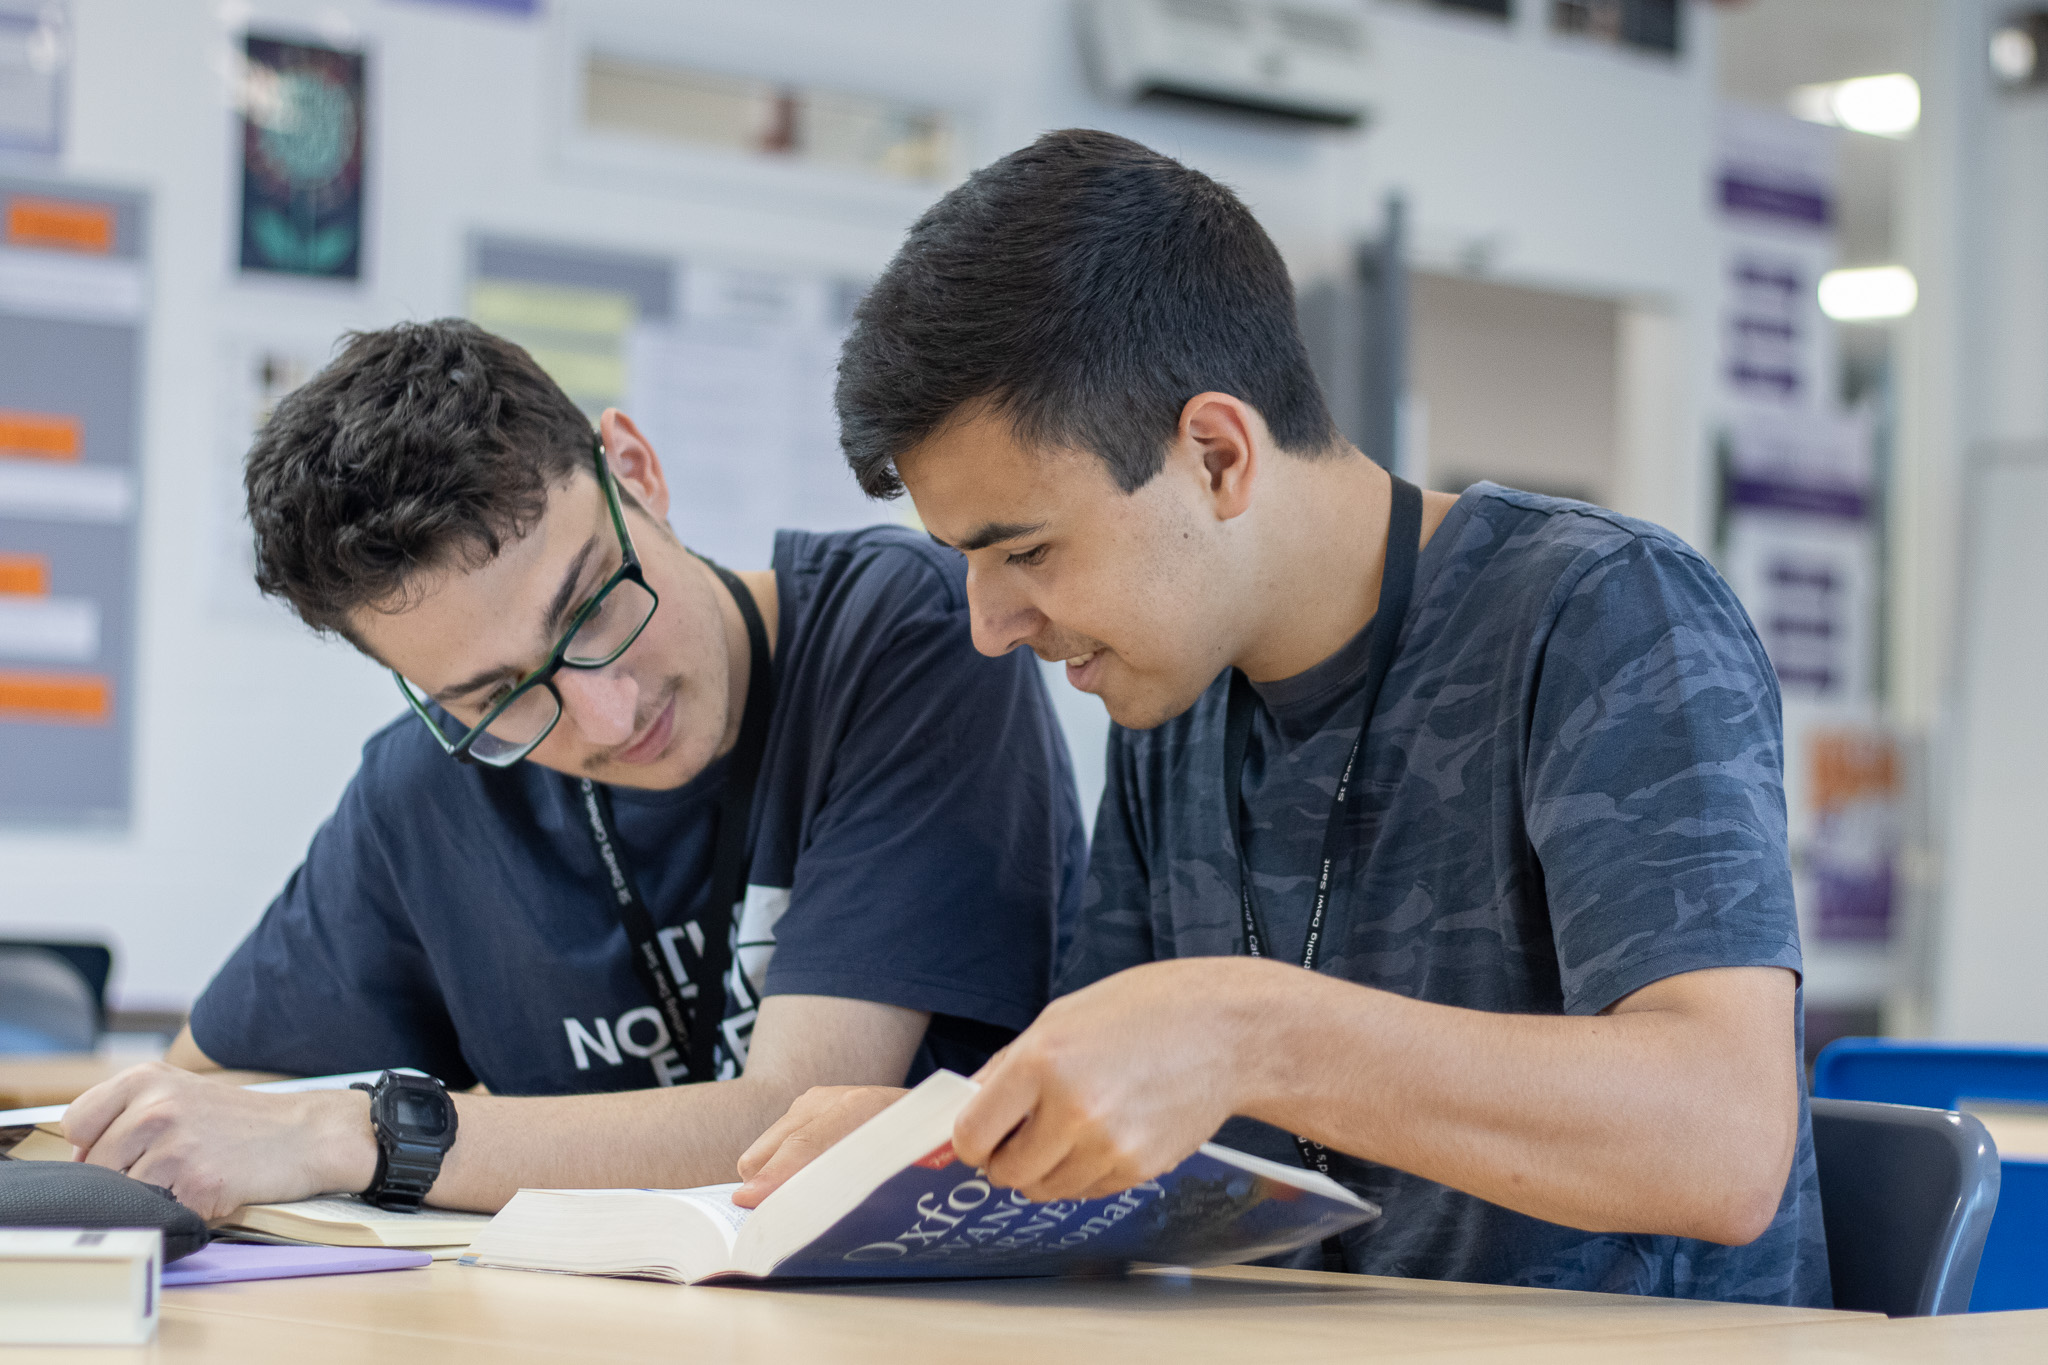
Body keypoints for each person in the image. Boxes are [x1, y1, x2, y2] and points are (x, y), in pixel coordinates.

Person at [732, 130, 1829, 1307]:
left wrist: (1250, 1032)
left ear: (1214, 454)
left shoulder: (1604, 612)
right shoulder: (1174, 702)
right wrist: (924, 1152)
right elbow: (1116, 1151)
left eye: (1027, 551)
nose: (990, 625)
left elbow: (1720, 1140)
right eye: (963, 563)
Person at [60, 320, 1084, 1217]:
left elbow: (788, 1129)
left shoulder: (905, 632)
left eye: (592, 605)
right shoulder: (425, 789)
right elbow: (210, 1090)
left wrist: (360, 1134)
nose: (605, 710)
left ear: (634, 469)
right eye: (497, 696)